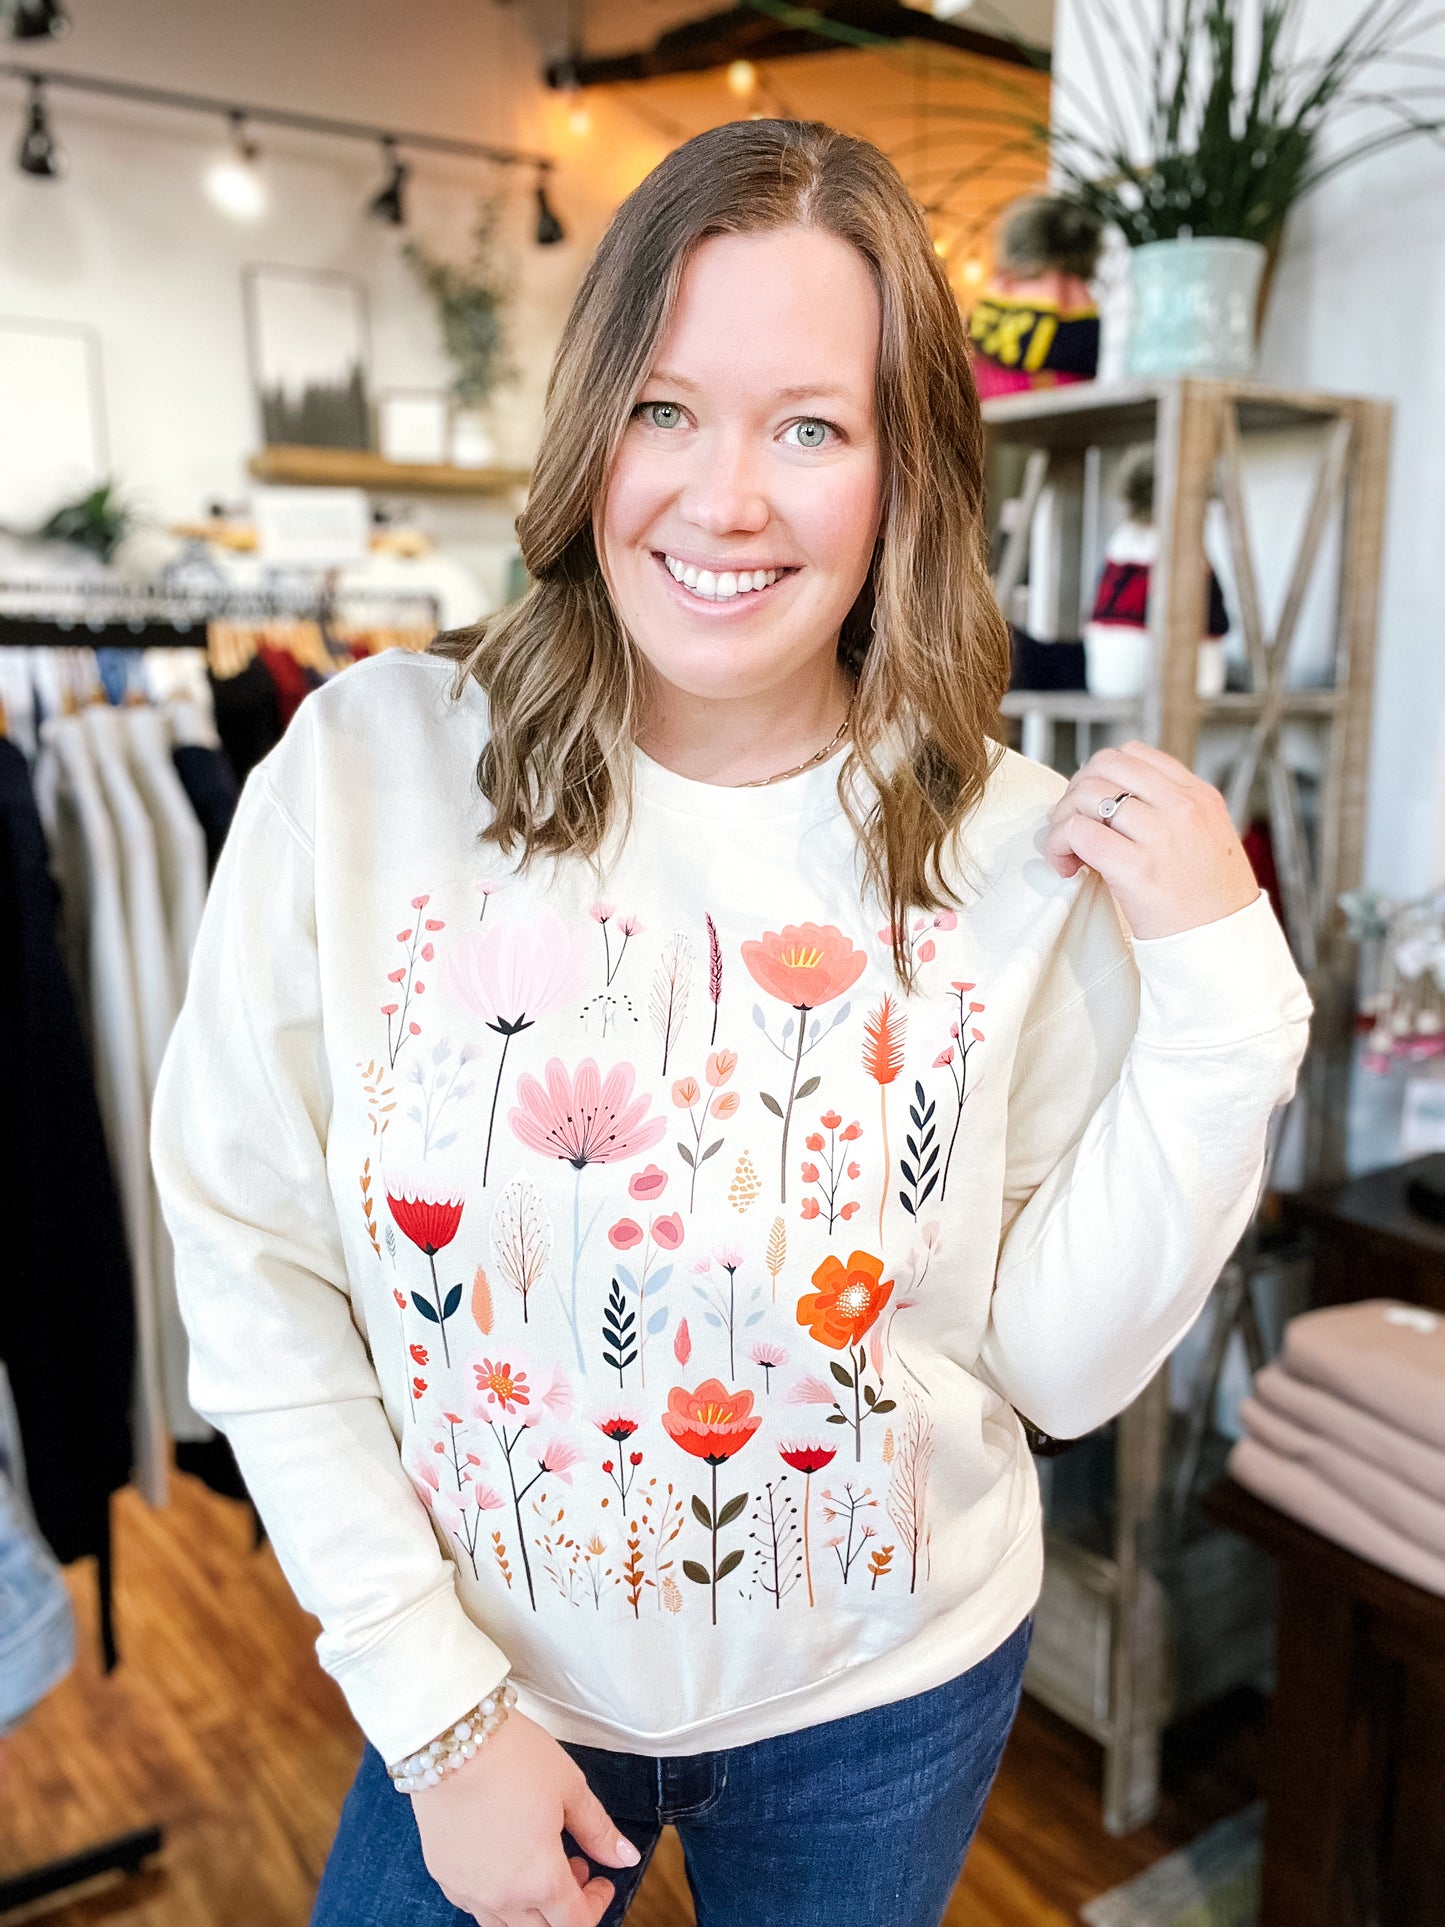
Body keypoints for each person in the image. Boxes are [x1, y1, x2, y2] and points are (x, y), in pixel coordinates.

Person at [151, 119, 1311, 1927]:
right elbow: (249, 1255)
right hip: (486, 1685)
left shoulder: (1011, 848)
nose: (726, 498)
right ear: (591, 420)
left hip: (890, 1702)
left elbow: (1059, 1367)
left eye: (810, 425)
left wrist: (1228, 998)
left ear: (900, 466)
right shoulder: (371, 771)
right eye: (667, 408)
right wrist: (442, 1723)